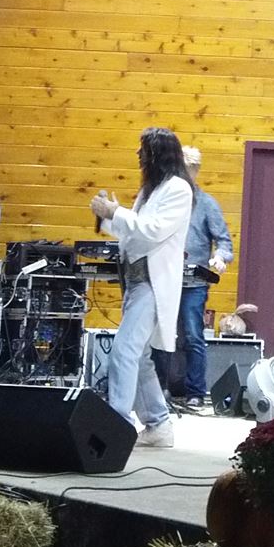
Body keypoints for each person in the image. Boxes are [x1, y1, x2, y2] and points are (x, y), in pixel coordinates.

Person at [90, 127, 192, 451]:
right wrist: (109, 217)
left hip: (151, 283)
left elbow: (151, 232)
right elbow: (132, 233)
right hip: (136, 282)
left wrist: (114, 213)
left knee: (124, 352)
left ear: (157, 154)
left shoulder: (178, 189)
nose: (138, 156)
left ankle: (117, 423)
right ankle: (158, 423)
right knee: (141, 356)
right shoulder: (151, 190)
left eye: (143, 150)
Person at [164, 145, 233, 411]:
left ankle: (194, 391)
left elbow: (224, 242)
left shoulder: (207, 204)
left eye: (192, 169)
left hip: (194, 284)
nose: (187, 173)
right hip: (165, 280)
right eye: (183, 168)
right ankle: (162, 388)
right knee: (163, 336)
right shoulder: (165, 201)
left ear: (197, 171)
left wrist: (220, 258)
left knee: (193, 336)